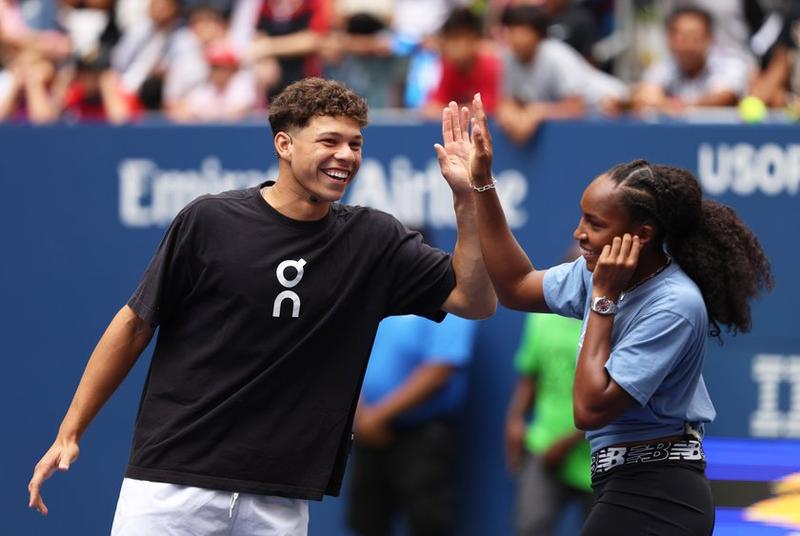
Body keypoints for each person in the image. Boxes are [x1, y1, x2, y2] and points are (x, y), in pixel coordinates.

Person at [27, 78, 496, 535]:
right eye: (330, 141)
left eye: (355, 144)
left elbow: (474, 300)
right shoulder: (209, 220)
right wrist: (71, 430)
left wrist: (465, 199)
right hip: (172, 483)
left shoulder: (374, 239)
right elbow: (133, 325)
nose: (346, 156)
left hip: (280, 498)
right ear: (285, 144)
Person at [464, 94, 773, 534]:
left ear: (641, 235)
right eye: (581, 219)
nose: (579, 234)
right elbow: (514, 286)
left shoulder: (675, 304)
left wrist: (603, 300)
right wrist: (483, 183)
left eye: (595, 223)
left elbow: (589, 410)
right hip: (624, 483)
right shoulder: (595, 276)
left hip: (661, 494)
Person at [347, 302, 477, 536]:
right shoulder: (383, 297)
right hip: (367, 431)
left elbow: (440, 369)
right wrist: (360, 414)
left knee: (427, 522)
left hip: (421, 435)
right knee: (365, 523)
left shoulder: (453, 303)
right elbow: (350, 355)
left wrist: (376, 417)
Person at [505, 250, 591, 536]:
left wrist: (567, 442)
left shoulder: (613, 322)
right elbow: (530, 376)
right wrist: (515, 421)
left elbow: (619, 397)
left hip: (598, 457)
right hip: (543, 447)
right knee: (531, 528)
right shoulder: (543, 317)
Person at [496, 5, 626, 144]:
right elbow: (510, 102)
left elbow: (576, 108)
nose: (517, 39)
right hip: (589, 120)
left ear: (538, 35)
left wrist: (538, 112)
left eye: (523, 32)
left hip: (619, 104)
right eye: (512, 31)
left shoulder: (555, 55)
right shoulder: (509, 58)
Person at [633, 6, 750, 114]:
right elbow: (645, 96)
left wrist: (673, 106)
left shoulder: (729, 62)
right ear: (669, 40)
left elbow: (725, 97)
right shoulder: (666, 64)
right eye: (681, 37)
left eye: (694, 37)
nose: (688, 45)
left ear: (710, 38)